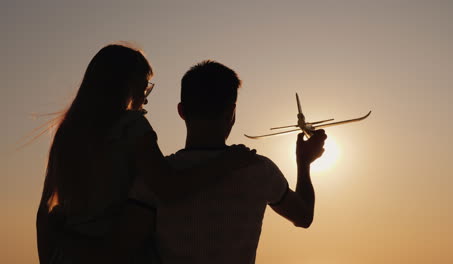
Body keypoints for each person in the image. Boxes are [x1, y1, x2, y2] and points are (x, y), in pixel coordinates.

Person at [36, 45, 257, 264]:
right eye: (145, 87)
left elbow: (45, 212)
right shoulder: (132, 126)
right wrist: (226, 163)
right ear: (128, 84)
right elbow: (167, 187)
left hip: (69, 254)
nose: (146, 97)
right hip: (120, 250)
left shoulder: (68, 131)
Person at [152, 60, 327, 264]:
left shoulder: (155, 174)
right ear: (231, 113)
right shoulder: (259, 170)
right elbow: (303, 217)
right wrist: (304, 163)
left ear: (181, 111)